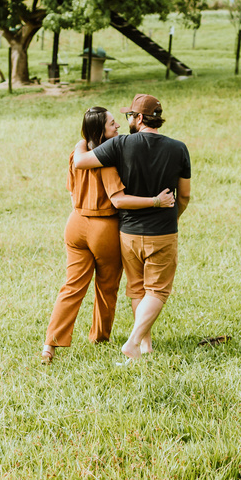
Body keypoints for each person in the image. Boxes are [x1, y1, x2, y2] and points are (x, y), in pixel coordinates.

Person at [42, 107, 174, 365]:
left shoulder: (76, 153)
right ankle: (100, 337)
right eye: (113, 124)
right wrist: (156, 201)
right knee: (107, 286)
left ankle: (50, 344)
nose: (118, 128)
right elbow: (119, 200)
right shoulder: (107, 160)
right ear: (101, 131)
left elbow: (71, 192)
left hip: (75, 223)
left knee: (71, 286)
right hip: (103, 226)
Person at [73, 94, 190, 363]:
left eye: (129, 116)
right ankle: (135, 341)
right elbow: (183, 196)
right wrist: (174, 216)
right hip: (162, 232)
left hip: (128, 233)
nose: (126, 121)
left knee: (138, 289)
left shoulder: (120, 144)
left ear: (139, 118)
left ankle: (144, 348)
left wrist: (83, 139)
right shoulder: (179, 148)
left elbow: (80, 161)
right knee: (157, 291)